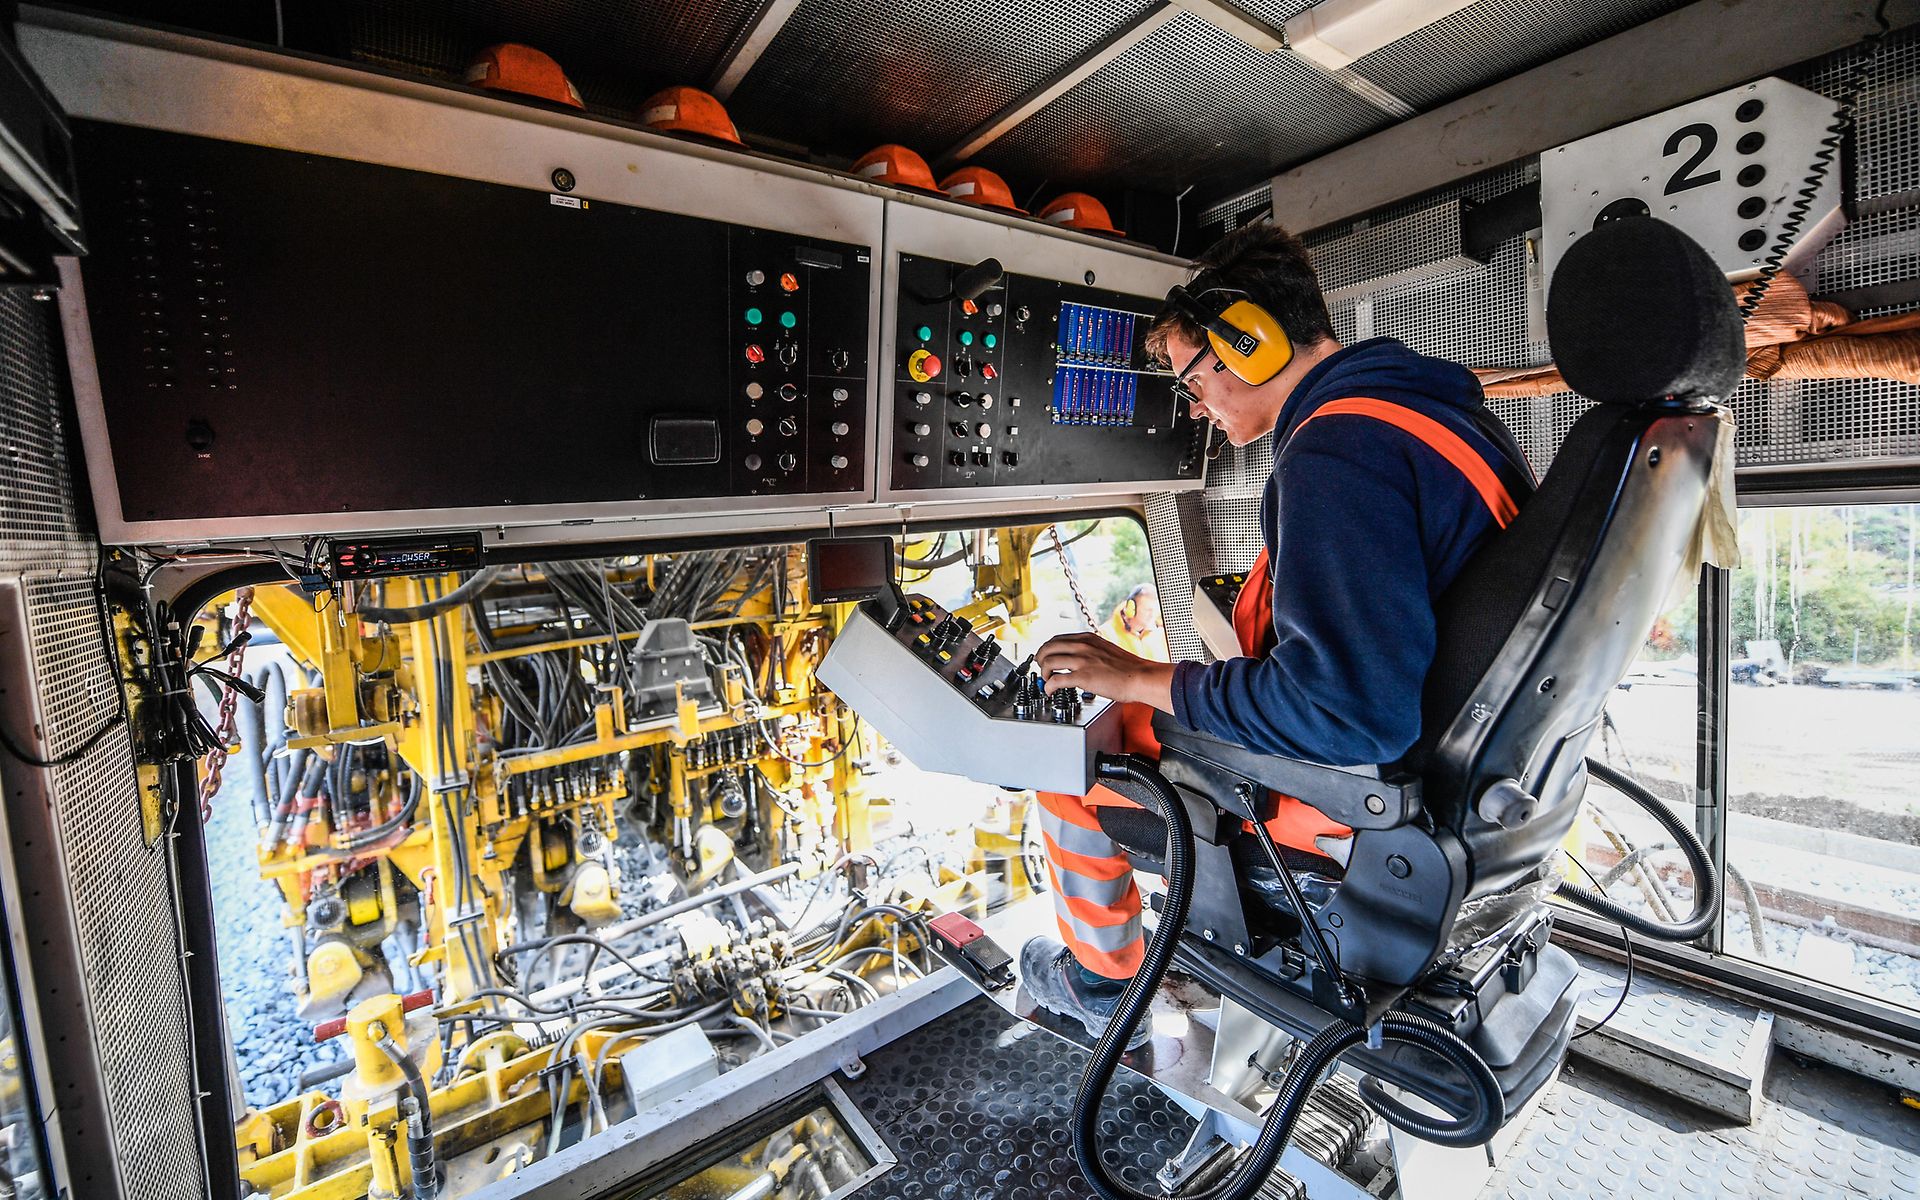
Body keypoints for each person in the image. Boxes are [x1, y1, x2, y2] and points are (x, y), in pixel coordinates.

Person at [1019, 221, 1536, 1046]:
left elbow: (1349, 711)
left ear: (1250, 345)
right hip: (1459, 791)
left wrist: (1140, 679)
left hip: (1360, 801)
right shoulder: (1428, 413)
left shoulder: (1338, 450)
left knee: (1068, 761)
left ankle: (1104, 980)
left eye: (1193, 379)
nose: (1193, 405)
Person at [1102, 584, 1166, 662]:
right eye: (1147, 610)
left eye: (1154, 610)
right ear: (1131, 608)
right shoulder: (1106, 634)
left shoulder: (1161, 634)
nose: (1152, 615)